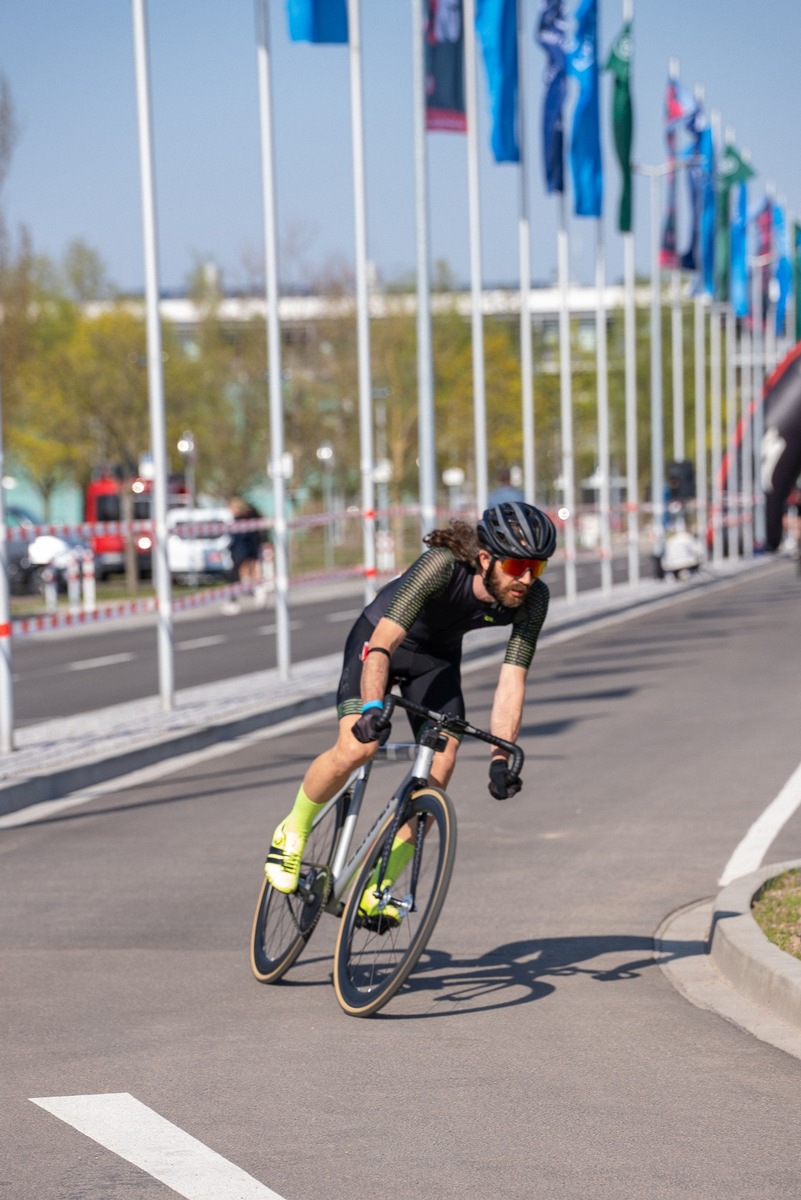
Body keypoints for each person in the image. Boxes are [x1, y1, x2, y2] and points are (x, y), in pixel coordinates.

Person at [264, 501, 557, 918]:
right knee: (357, 748)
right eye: (517, 566)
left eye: (538, 568)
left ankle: (381, 882)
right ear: (487, 558)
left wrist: (500, 756)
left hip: (434, 661)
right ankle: (292, 829)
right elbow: (382, 642)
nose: (526, 579)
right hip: (381, 641)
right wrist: (370, 707)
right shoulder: (440, 566)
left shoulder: (532, 600)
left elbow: (512, 680)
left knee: (441, 762)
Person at [223, 497, 267, 615]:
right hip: (250, 550)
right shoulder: (252, 518)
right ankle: (256, 593)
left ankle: (235, 602)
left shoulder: (240, 520)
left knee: (236, 576)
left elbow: (239, 538)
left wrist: (230, 548)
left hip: (241, 551)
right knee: (250, 572)